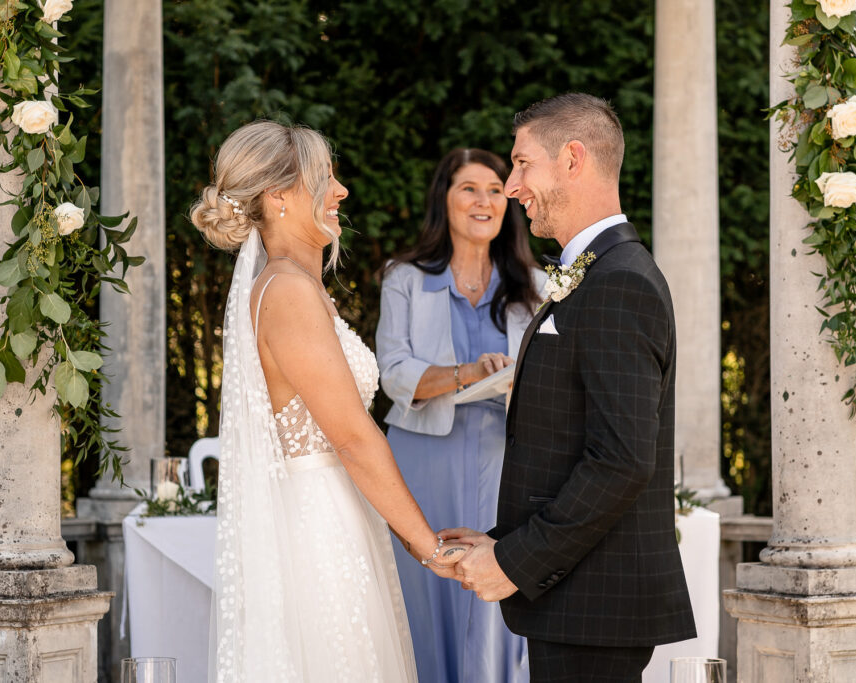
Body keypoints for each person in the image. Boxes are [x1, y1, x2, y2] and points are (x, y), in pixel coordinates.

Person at [191, 120, 468, 682]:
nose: (340, 191)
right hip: (317, 525)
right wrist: (428, 546)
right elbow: (352, 437)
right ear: (279, 196)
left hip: (334, 510)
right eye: (326, 178)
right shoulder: (288, 292)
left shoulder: (295, 285)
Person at [442, 93, 696, 682]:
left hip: (594, 605)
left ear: (573, 158)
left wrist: (515, 561)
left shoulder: (620, 282)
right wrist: (500, 540)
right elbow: (567, 442)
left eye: (523, 163)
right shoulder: (599, 273)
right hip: (577, 600)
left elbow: (621, 461)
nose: (511, 186)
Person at [376, 148, 545, 683]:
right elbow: (395, 375)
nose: (484, 200)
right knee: (425, 596)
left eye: (496, 189)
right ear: (443, 201)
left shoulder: (535, 287)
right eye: (469, 188)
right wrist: (469, 372)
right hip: (422, 461)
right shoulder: (404, 277)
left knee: (495, 600)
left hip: (507, 464)